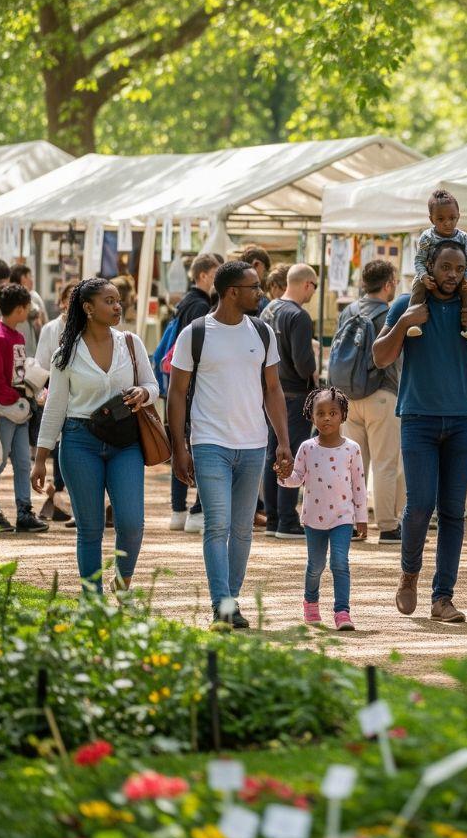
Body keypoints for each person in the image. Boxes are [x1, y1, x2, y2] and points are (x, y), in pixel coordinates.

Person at [373, 240, 467, 622]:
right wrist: (404, 323)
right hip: (418, 418)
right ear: (430, 266)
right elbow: (380, 356)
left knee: (453, 512)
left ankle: (443, 597)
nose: (452, 275)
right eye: (445, 267)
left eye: (459, 269)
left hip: (462, 420)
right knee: (420, 505)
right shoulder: (405, 304)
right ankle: (409, 575)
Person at [168, 260, 293, 630]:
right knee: (217, 525)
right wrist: (179, 448)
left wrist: (283, 441)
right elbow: (176, 393)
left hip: (253, 444)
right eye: (254, 287)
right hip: (209, 443)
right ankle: (221, 604)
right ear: (232, 292)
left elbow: (273, 389)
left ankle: (230, 600)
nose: (260, 292)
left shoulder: (263, 332)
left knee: (242, 529)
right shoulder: (194, 333)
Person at [32, 278, 157, 592]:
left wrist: (144, 392)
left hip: (125, 442)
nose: (117, 307)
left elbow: (153, 385)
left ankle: (123, 583)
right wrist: (40, 459)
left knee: (131, 523)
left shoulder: (131, 343)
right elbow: (55, 407)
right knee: (90, 529)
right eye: (109, 301)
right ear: (88, 308)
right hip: (79, 441)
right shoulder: (66, 354)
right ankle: (93, 600)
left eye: (118, 300)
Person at [277, 386, 367, 630]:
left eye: (333, 413)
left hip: (342, 518)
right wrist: (283, 475)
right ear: (311, 416)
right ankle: (311, 602)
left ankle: (342, 612)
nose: (327, 418)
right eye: (321, 413)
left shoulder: (352, 449)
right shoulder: (307, 448)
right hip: (314, 518)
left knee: (340, 563)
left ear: (343, 415)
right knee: (316, 566)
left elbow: (359, 485)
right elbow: (297, 478)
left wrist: (361, 518)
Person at [338, 259, 403, 544]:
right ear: (388, 284)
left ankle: (353, 523)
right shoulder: (390, 314)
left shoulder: (349, 311)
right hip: (382, 394)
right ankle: (388, 526)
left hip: (348, 396)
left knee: (354, 464)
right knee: (385, 463)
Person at [261, 262, 318, 539]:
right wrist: (314, 375)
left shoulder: (268, 310)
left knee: (272, 453)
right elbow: (303, 363)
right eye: (314, 287)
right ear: (306, 284)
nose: (313, 293)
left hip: (269, 392)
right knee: (292, 454)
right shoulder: (299, 316)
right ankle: (287, 519)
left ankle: (273, 518)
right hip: (295, 394)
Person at [167, 253, 220, 533]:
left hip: (182, 382)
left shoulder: (185, 302)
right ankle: (197, 509)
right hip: (194, 385)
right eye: (215, 273)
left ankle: (178, 509)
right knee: (198, 445)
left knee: (182, 444)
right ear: (203, 275)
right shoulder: (200, 306)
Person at [0, 284, 48, 533]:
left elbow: (18, 373)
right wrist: (16, 399)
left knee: (23, 462)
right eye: (27, 307)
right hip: (4, 410)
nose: (29, 311)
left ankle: (24, 512)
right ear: (18, 309)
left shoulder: (18, 336)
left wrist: (28, 394)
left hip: (20, 409)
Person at [407, 190, 467, 342]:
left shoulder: (463, 237)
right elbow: (419, 260)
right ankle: (414, 323)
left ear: (458, 216)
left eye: (452, 218)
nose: (447, 223)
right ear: (431, 219)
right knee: (418, 287)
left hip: (457, 280)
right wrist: (424, 276)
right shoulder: (427, 237)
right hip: (429, 277)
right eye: (441, 219)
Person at [35, 278, 78, 522]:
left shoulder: (92, 328)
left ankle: (75, 504)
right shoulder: (51, 329)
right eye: (70, 298)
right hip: (57, 395)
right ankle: (63, 501)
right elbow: (42, 364)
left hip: (82, 400)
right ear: (61, 302)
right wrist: (45, 391)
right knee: (59, 446)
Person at [10, 264, 48, 357]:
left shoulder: (7, 293)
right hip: (27, 349)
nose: (32, 280)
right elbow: (37, 313)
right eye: (30, 276)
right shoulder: (31, 296)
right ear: (23, 278)